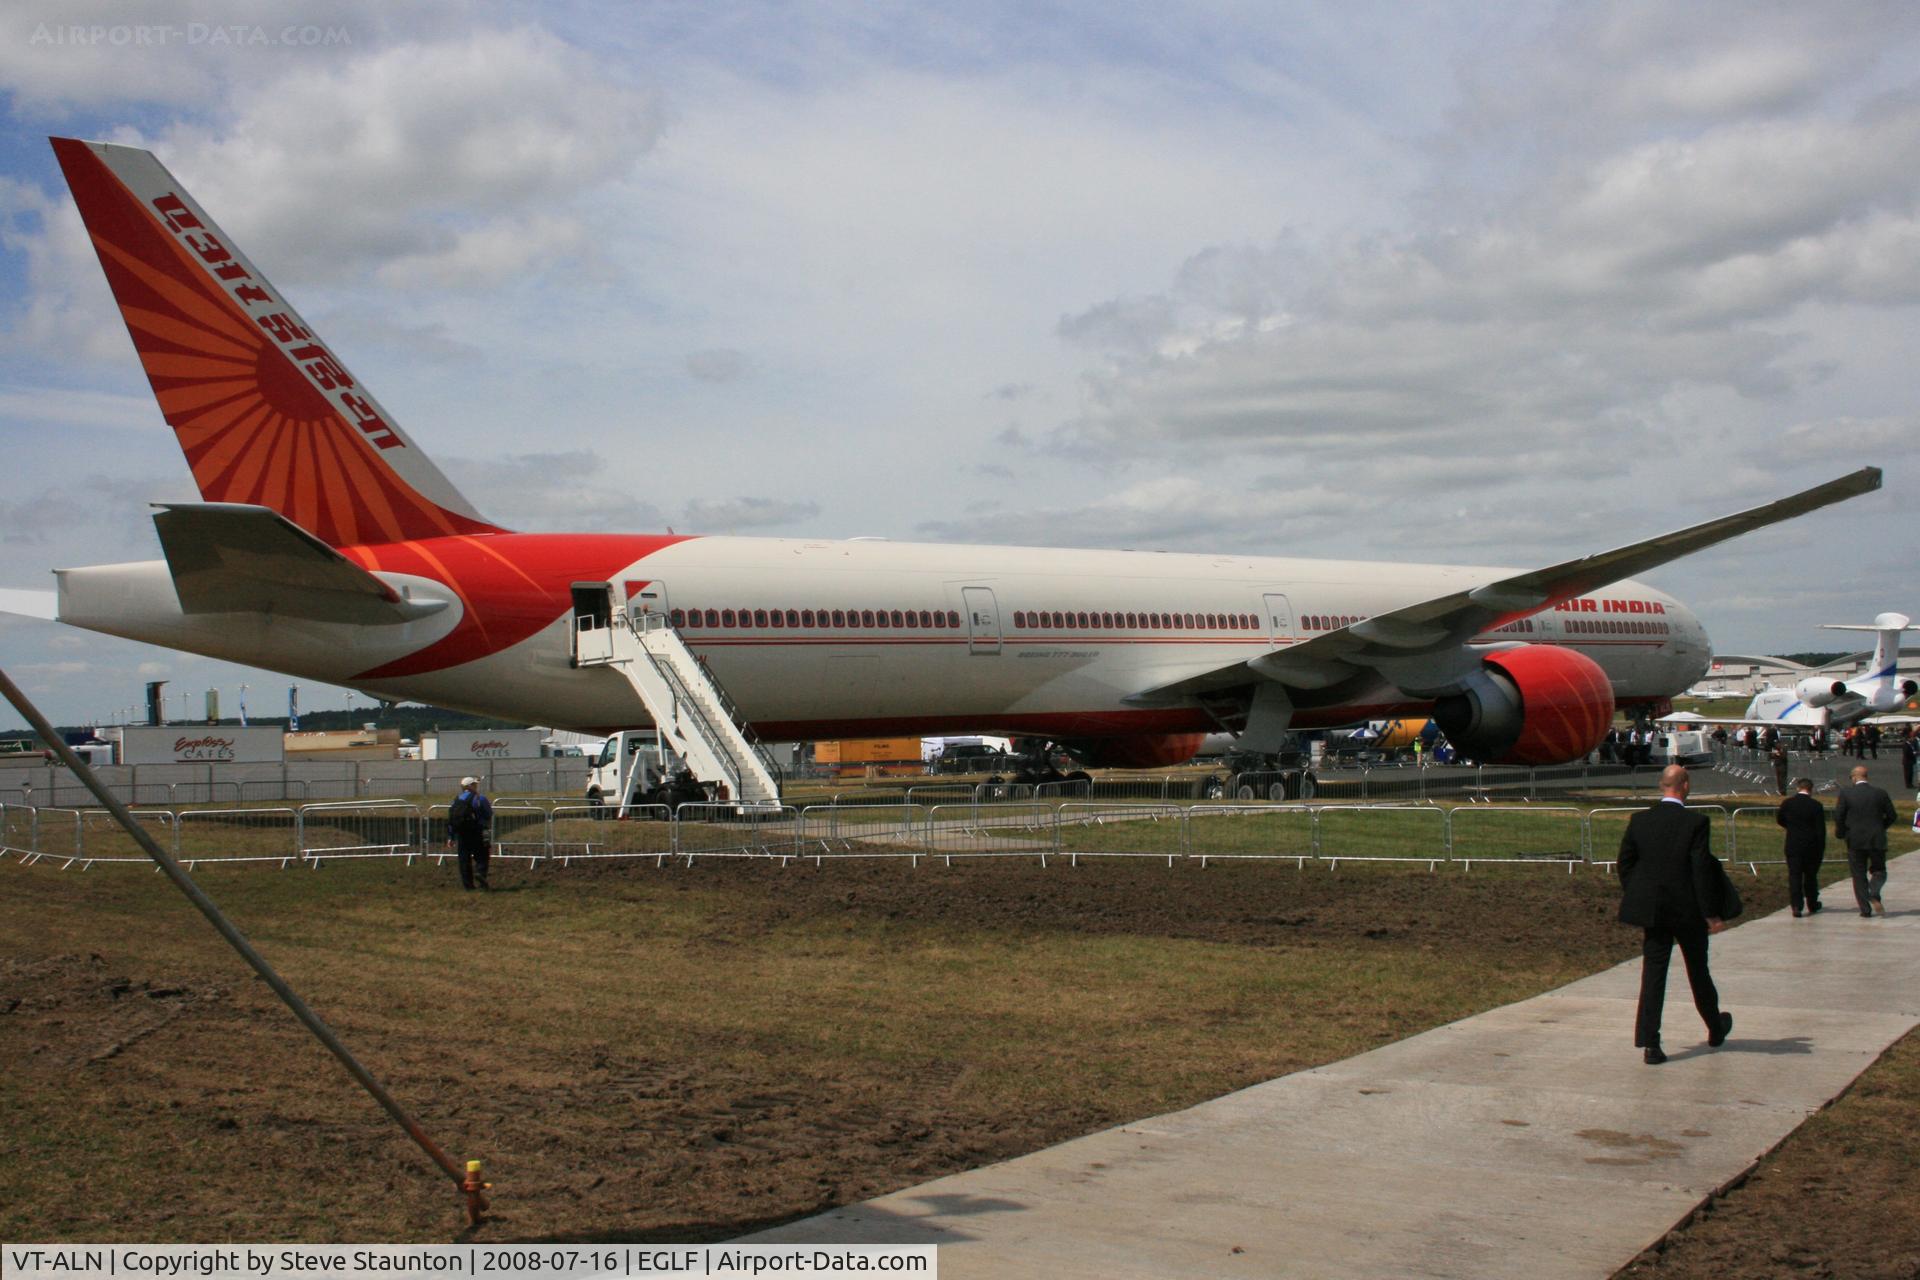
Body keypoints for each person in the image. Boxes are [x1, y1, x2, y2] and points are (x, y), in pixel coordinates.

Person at [1618, 765, 1733, 1065]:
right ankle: (1714, 1027)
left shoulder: (1640, 820)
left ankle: (1650, 1043)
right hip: (1688, 910)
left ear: (1661, 785)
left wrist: (1639, 893)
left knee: (1653, 976)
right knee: (1698, 972)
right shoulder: (1695, 822)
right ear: (1684, 785)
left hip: (1654, 911)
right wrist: (1711, 913)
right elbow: (1700, 869)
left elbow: (1625, 863)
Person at [1833, 764, 1897, 916]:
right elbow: (1892, 815)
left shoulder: (1846, 793)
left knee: (1858, 874)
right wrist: (1881, 827)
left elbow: (1839, 815)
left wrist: (1841, 833)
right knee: (1879, 870)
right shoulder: (1880, 793)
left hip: (1855, 839)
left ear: (1854, 777)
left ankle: (1865, 909)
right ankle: (1874, 891)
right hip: (1876, 838)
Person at [1774, 777, 1826, 918]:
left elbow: (1780, 819)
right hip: (1811, 845)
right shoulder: (1816, 806)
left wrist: (1791, 827)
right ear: (1811, 789)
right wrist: (1821, 847)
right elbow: (1820, 830)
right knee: (1810, 876)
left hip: (1793, 844)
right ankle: (1812, 902)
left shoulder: (1788, 803)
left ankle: (1796, 905)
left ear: (1798, 788)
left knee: (1795, 875)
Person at [446, 775, 494, 891]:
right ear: (470, 786)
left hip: (462, 834)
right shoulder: (480, 798)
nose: (476, 786)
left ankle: (468, 886)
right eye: (475, 784)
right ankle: (480, 874)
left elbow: (452, 819)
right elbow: (488, 814)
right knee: (482, 856)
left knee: (464, 859)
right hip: (478, 831)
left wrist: (451, 836)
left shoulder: (456, 800)